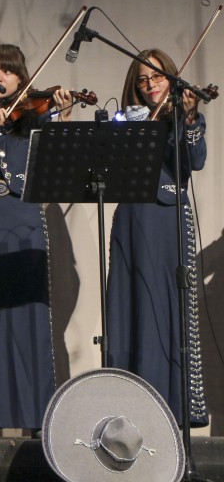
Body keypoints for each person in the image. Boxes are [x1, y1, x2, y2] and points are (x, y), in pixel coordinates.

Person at [0, 44, 73, 439]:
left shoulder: (33, 117)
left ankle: (35, 417)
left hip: (23, 217)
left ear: (22, 78)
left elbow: (58, 163)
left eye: (7, 70)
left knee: (27, 317)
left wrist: (61, 117)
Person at [107, 48, 208, 427]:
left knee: (167, 309)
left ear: (172, 77)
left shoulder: (182, 117)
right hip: (132, 221)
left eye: (158, 77)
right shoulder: (126, 120)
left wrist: (189, 115)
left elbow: (194, 161)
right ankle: (131, 411)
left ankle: (174, 409)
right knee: (132, 307)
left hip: (167, 220)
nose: (150, 86)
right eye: (143, 80)